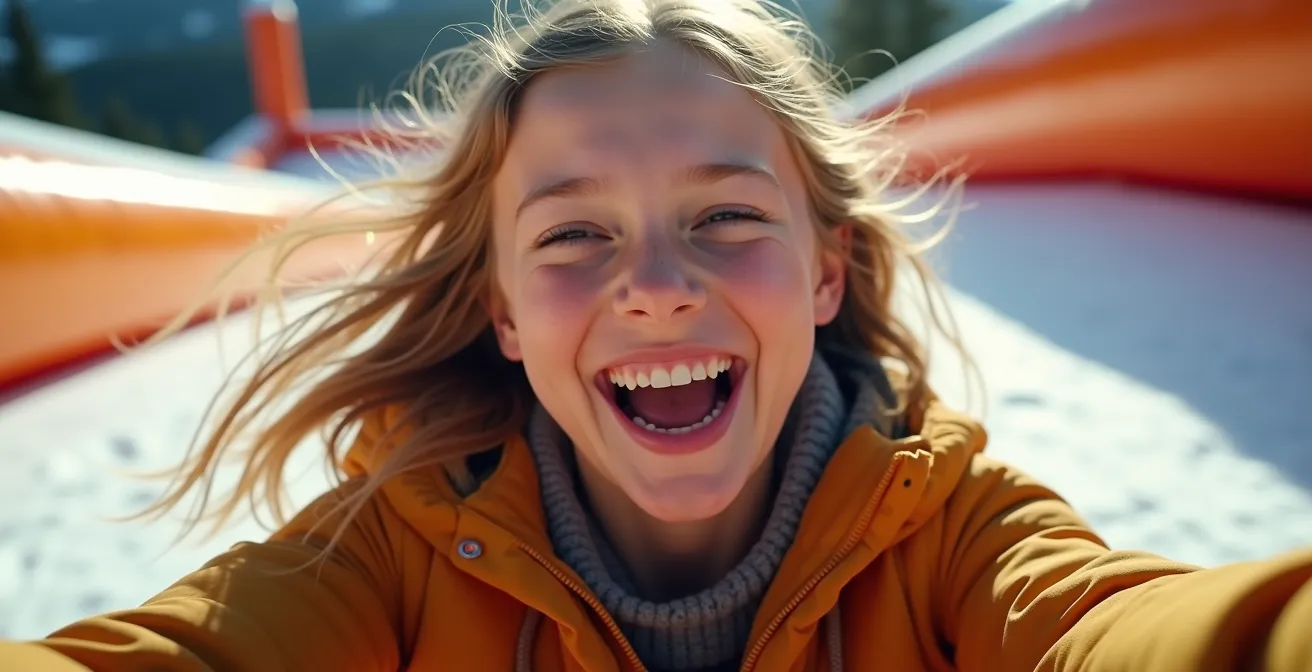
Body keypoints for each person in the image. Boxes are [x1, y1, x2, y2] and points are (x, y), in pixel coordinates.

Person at [4, 1, 1310, 670]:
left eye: (727, 217)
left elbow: (1124, 633)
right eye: (573, 236)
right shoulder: (388, 555)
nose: (654, 284)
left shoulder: (952, 535)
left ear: (822, 270)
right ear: (504, 313)